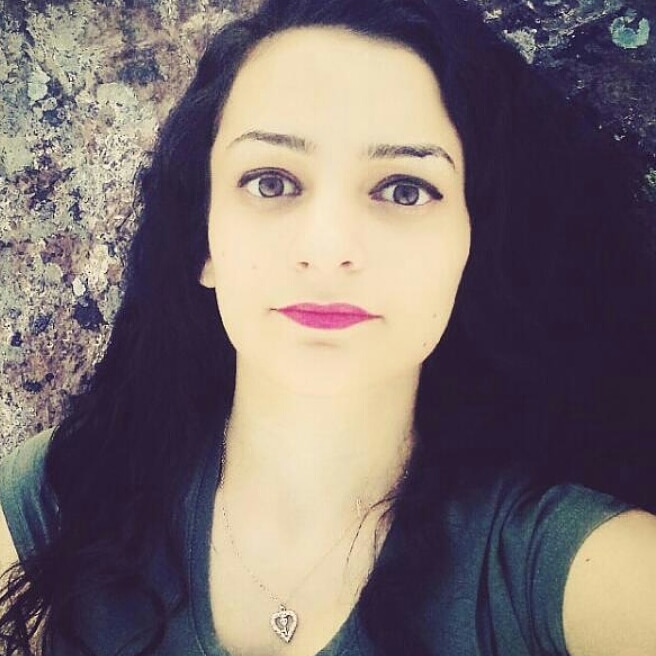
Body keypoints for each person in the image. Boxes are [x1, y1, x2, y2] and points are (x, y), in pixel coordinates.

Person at [1, 0, 655, 654]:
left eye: (404, 189)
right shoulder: (66, 499)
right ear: (202, 239)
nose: (329, 248)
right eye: (271, 182)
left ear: (471, 247)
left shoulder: (556, 571)